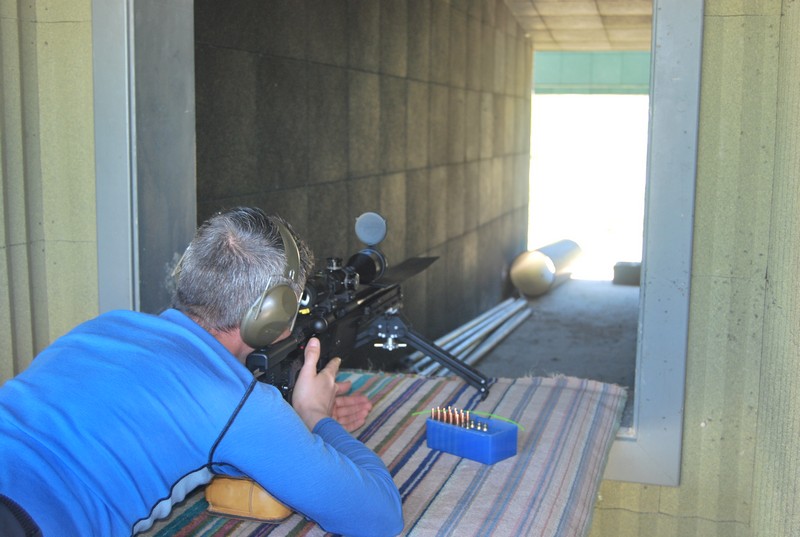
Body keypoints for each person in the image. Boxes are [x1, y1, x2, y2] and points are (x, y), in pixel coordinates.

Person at [0, 207, 404, 537]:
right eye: (296, 305)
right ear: (271, 315)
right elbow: (378, 519)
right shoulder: (235, 407)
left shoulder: (102, 327)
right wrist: (314, 414)